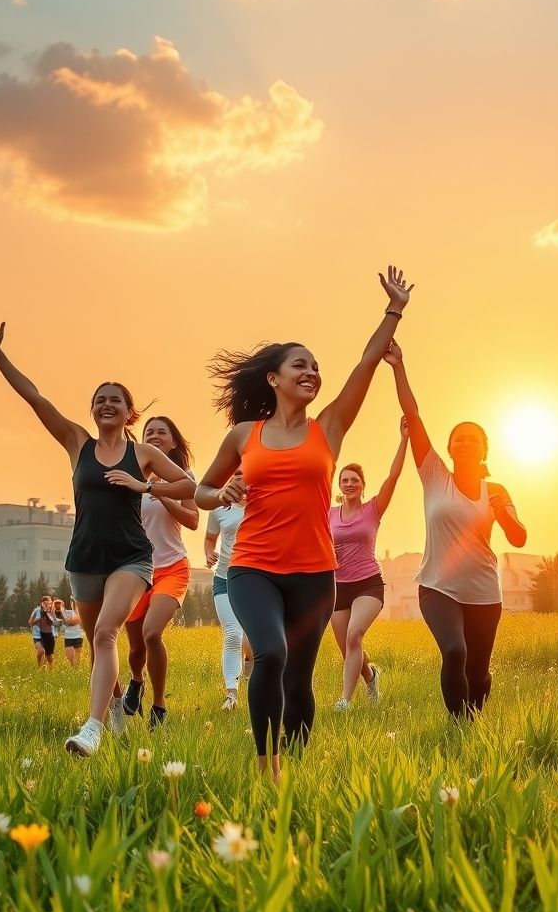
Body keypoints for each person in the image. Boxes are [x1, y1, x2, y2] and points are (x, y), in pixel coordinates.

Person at [195, 266, 412, 781]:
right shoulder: (243, 435)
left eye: (316, 366)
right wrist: (220, 492)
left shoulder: (328, 428)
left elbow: (364, 364)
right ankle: (266, 767)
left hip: (316, 573)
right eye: (300, 365)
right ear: (274, 378)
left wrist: (395, 309)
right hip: (254, 568)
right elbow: (202, 491)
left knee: (300, 676)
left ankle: (293, 766)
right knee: (269, 653)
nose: (312, 372)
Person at [0, 322, 195, 756]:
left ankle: (93, 727)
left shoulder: (143, 454)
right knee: (94, 640)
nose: (107, 404)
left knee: (106, 633)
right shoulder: (77, 443)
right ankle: (118, 706)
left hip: (132, 557)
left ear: (129, 412)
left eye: (116, 400)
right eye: (100, 400)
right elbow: (35, 399)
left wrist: (146, 486)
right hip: (84, 558)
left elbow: (188, 487)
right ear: (92, 410)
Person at [387, 339, 527, 718]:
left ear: (484, 450)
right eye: (458, 439)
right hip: (437, 587)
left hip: (484, 592)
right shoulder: (434, 475)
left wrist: (505, 514)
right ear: (449, 447)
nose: (465, 443)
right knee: (455, 652)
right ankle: (459, 726)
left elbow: (519, 537)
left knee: (478, 673)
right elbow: (413, 416)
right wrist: (398, 365)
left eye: (473, 440)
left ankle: (476, 716)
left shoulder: (496, 490)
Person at [122, 416, 198, 726]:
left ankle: (159, 706)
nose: (154, 435)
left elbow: (193, 520)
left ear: (173, 442)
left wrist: (163, 494)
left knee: (152, 633)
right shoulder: (130, 478)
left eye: (161, 432)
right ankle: (137, 681)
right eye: (149, 431)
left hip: (172, 567)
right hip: (135, 570)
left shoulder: (183, 478)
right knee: (136, 645)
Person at [330, 417, 409, 710]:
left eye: (355, 480)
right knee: (349, 648)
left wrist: (404, 440)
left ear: (363, 485)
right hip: (337, 586)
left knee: (354, 635)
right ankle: (371, 675)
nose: (350, 484)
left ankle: (344, 701)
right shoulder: (329, 515)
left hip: (368, 583)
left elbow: (393, 478)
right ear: (340, 485)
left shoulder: (373, 509)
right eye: (345, 480)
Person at [205, 491, 252, 710]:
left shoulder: (264, 503)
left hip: (256, 580)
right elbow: (209, 539)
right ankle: (231, 695)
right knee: (233, 634)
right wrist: (208, 553)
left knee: (252, 640)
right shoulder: (219, 507)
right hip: (224, 578)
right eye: (237, 473)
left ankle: (251, 679)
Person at [28, 594, 59, 668]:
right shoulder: (36, 610)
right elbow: (30, 622)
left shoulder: (52, 611)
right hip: (37, 635)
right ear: (41, 603)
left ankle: (51, 671)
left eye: (48, 603)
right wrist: (39, 618)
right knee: (41, 651)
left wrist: (48, 615)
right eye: (44, 603)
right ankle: (39, 667)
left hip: (49, 635)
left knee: (49, 656)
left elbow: (54, 623)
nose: (46, 605)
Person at [60, 597, 84, 668]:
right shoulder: (67, 612)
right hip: (68, 637)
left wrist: (69, 620)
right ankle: (73, 669)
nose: (73, 604)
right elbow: (66, 623)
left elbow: (77, 621)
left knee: (77, 657)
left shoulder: (81, 612)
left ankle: (76, 672)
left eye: (75, 602)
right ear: (70, 603)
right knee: (69, 656)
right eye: (72, 602)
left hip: (78, 636)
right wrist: (69, 620)